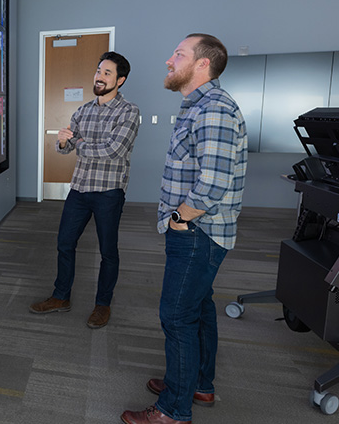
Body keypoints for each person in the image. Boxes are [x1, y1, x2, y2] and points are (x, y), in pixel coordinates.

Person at [121, 34, 247, 424]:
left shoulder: (214, 109)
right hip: (200, 233)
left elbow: (212, 182)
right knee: (198, 309)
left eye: (178, 54)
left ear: (203, 64)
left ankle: (173, 411)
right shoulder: (199, 107)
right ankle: (197, 384)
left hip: (197, 234)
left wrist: (179, 219)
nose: (168, 60)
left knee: (176, 316)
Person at [29, 51, 140, 329]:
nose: (99, 77)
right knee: (64, 243)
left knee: (108, 251)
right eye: (98, 71)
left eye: (107, 73)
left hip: (109, 191)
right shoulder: (83, 110)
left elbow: (114, 151)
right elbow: (63, 148)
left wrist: (77, 143)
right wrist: (65, 142)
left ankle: (102, 305)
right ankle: (61, 297)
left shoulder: (129, 112)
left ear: (120, 80)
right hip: (79, 189)